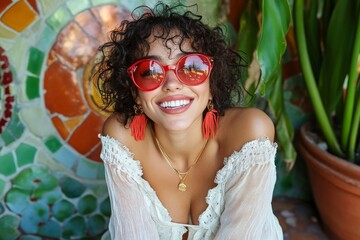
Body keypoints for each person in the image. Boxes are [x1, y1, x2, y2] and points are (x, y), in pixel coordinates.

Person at [95, 2, 283, 239]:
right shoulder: (122, 138)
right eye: (150, 71)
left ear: (211, 84)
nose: (172, 83)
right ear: (135, 93)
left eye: (192, 67)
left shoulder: (249, 133)